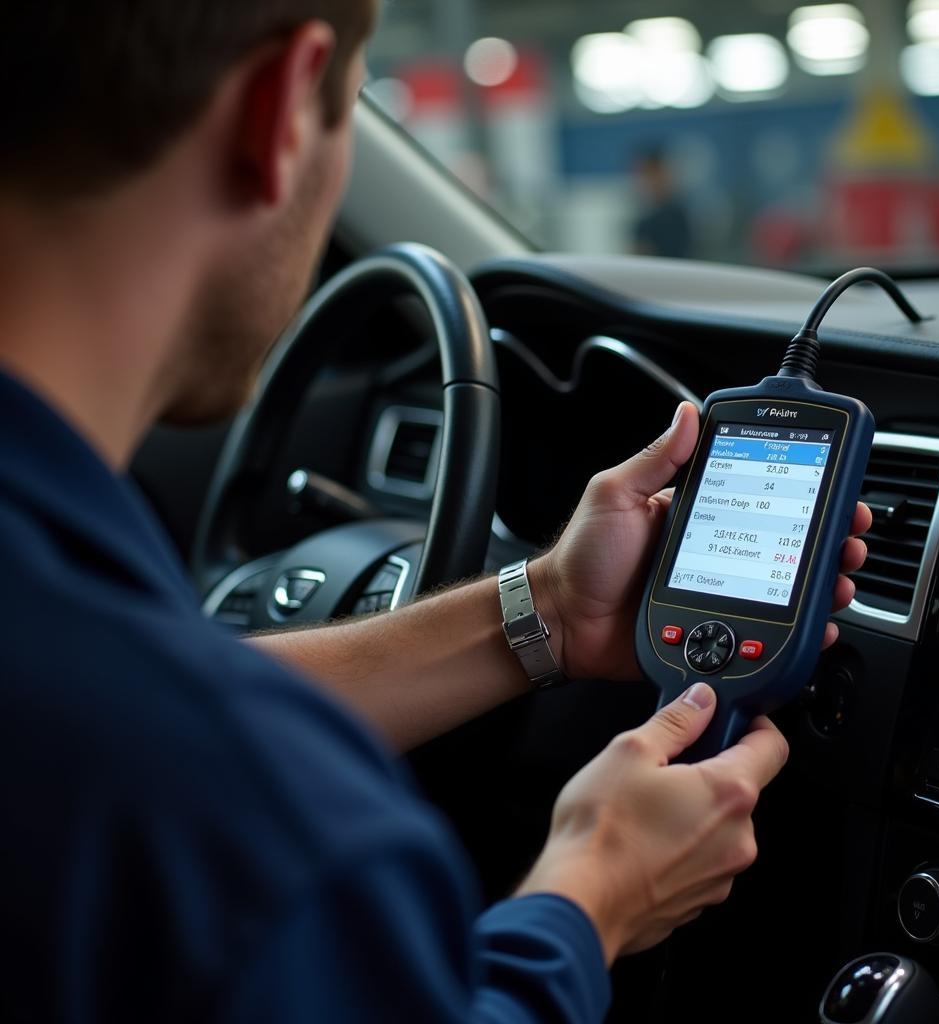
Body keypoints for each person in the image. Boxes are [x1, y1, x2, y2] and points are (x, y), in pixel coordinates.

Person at [0, 4, 870, 1022]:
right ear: (282, 107)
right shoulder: (265, 847)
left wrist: (545, 606)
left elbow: (139, 691)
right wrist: (588, 904)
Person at [632, 148, 693, 259]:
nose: (646, 182)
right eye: (641, 175)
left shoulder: (674, 215)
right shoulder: (645, 219)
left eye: (650, 174)